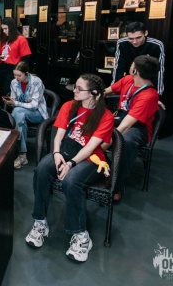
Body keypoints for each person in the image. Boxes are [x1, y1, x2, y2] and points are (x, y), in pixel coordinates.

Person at [25, 74, 114, 263]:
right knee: (42, 170)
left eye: (79, 88)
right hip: (65, 151)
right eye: (75, 86)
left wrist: (71, 163)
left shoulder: (105, 116)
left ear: (94, 93)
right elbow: (58, 135)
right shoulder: (69, 106)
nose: (74, 90)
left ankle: (81, 235)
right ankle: (40, 222)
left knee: (72, 180)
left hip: (91, 158)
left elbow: (91, 147)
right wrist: (57, 153)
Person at [103, 55, 160, 201]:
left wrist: (107, 142)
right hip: (121, 118)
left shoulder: (149, 95)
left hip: (138, 127)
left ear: (135, 71)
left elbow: (126, 125)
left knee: (124, 141)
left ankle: (117, 185)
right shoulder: (127, 80)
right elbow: (106, 91)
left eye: (132, 65)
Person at [2, 62, 49, 169]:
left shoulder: (36, 82)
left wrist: (16, 103)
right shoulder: (14, 82)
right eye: (14, 75)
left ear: (26, 73)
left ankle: (15, 149)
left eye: (19, 75)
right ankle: (22, 154)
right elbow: (15, 100)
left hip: (37, 113)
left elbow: (34, 105)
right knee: (20, 119)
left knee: (18, 112)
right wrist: (10, 102)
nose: (16, 78)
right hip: (21, 113)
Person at [112, 21, 165, 95]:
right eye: (130, 38)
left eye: (138, 38)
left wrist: (157, 93)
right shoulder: (121, 43)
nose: (134, 42)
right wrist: (114, 88)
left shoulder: (156, 45)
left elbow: (159, 70)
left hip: (149, 82)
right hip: (129, 79)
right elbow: (118, 66)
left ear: (145, 33)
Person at [0, 17, 32, 97]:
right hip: (2, 66)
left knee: (7, 92)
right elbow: (1, 54)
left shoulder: (21, 39)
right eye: (3, 29)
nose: (4, 31)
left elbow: (25, 59)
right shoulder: (5, 38)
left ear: (11, 28)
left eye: (6, 29)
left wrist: (22, 73)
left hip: (13, 68)